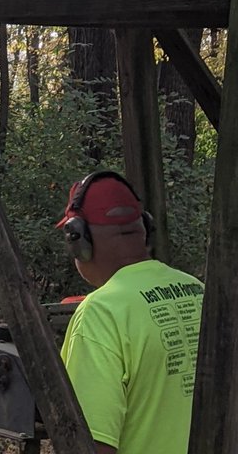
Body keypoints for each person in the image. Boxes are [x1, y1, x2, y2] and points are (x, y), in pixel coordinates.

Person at [56, 170, 204, 454]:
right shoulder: (198, 291)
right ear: (144, 229)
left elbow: (89, 445)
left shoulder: (100, 314)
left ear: (80, 241)